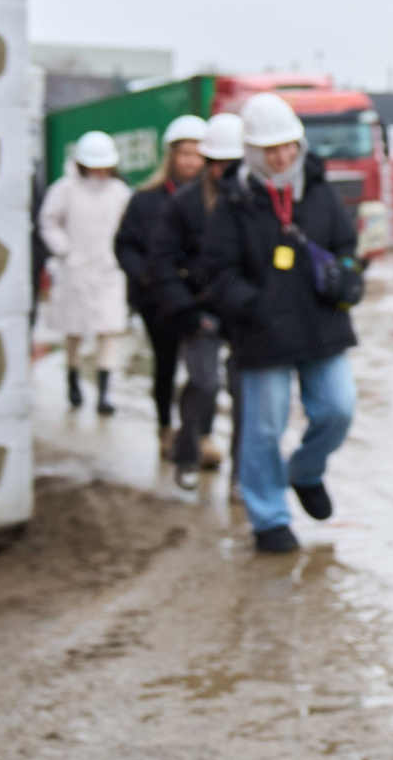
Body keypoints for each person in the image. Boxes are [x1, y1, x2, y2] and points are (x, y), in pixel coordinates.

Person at [199, 93, 363, 554]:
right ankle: (269, 517)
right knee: (264, 428)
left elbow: (347, 243)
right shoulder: (234, 202)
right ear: (252, 152)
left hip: (321, 325)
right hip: (263, 333)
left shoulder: (319, 189)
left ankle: (306, 471)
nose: (282, 156)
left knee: (338, 408)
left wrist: (347, 274)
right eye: (271, 149)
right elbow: (216, 273)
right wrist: (255, 306)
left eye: (289, 145)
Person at [148, 111, 244, 487]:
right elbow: (161, 260)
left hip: (241, 311)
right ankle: (187, 452)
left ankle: (243, 474)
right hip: (199, 309)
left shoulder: (254, 203)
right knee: (204, 383)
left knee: (245, 393)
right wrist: (185, 309)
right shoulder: (184, 204)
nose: (225, 171)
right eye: (218, 163)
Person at [116, 115, 210, 455]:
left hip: (198, 297)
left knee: (203, 372)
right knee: (166, 364)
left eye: (198, 154)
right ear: (171, 156)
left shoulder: (216, 200)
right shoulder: (145, 200)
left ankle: (200, 434)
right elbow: (125, 244)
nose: (191, 161)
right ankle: (165, 428)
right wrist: (145, 274)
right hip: (157, 300)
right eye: (185, 154)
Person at [37, 130, 135, 417]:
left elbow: (131, 228)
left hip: (109, 270)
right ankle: (73, 376)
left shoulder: (119, 192)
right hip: (76, 271)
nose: (100, 170)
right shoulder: (64, 189)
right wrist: (63, 249)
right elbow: (48, 221)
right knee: (75, 330)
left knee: (110, 330)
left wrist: (124, 258)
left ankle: (104, 392)